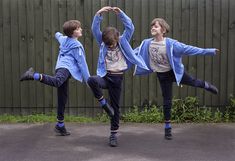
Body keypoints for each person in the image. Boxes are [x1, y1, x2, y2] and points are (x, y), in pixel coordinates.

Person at [134, 18, 219, 140]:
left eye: (156, 26)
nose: (152, 28)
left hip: (175, 73)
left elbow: (190, 49)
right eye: (152, 26)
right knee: (167, 100)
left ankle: (206, 85)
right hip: (162, 75)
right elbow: (133, 53)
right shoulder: (146, 43)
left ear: (163, 30)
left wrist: (209, 51)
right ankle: (167, 128)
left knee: (193, 82)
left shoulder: (172, 45)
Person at [87, 6, 148, 147]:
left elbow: (130, 27)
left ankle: (113, 135)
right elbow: (95, 30)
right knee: (91, 80)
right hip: (105, 76)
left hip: (117, 79)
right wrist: (98, 14)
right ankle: (103, 104)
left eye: (112, 44)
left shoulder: (123, 40)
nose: (110, 47)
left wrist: (121, 14)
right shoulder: (103, 43)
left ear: (117, 38)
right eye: (107, 45)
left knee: (115, 107)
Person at [20, 20, 90, 136]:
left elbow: (58, 35)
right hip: (65, 69)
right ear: (72, 33)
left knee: (62, 98)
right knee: (57, 82)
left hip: (60, 67)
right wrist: (88, 81)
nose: (81, 29)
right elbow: (83, 65)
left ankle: (60, 125)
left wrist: (58, 34)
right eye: (78, 29)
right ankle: (33, 75)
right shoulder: (77, 46)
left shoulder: (64, 39)